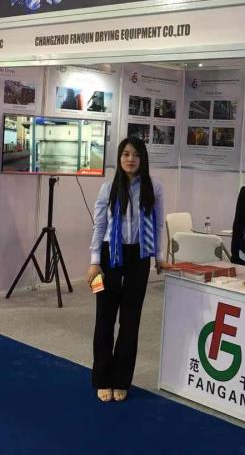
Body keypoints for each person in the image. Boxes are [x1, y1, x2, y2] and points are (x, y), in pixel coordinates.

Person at [86, 137, 167, 403]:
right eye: (125, 154)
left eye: (135, 154)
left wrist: (159, 257)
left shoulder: (154, 187)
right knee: (104, 319)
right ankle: (102, 378)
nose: (130, 159)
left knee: (130, 321)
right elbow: (99, 226)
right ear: (119, 158)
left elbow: (157, 225)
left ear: (143, 159)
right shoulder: (108, 187)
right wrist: (94, 261)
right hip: (110, 254)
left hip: (139, 256)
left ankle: (121, 379)